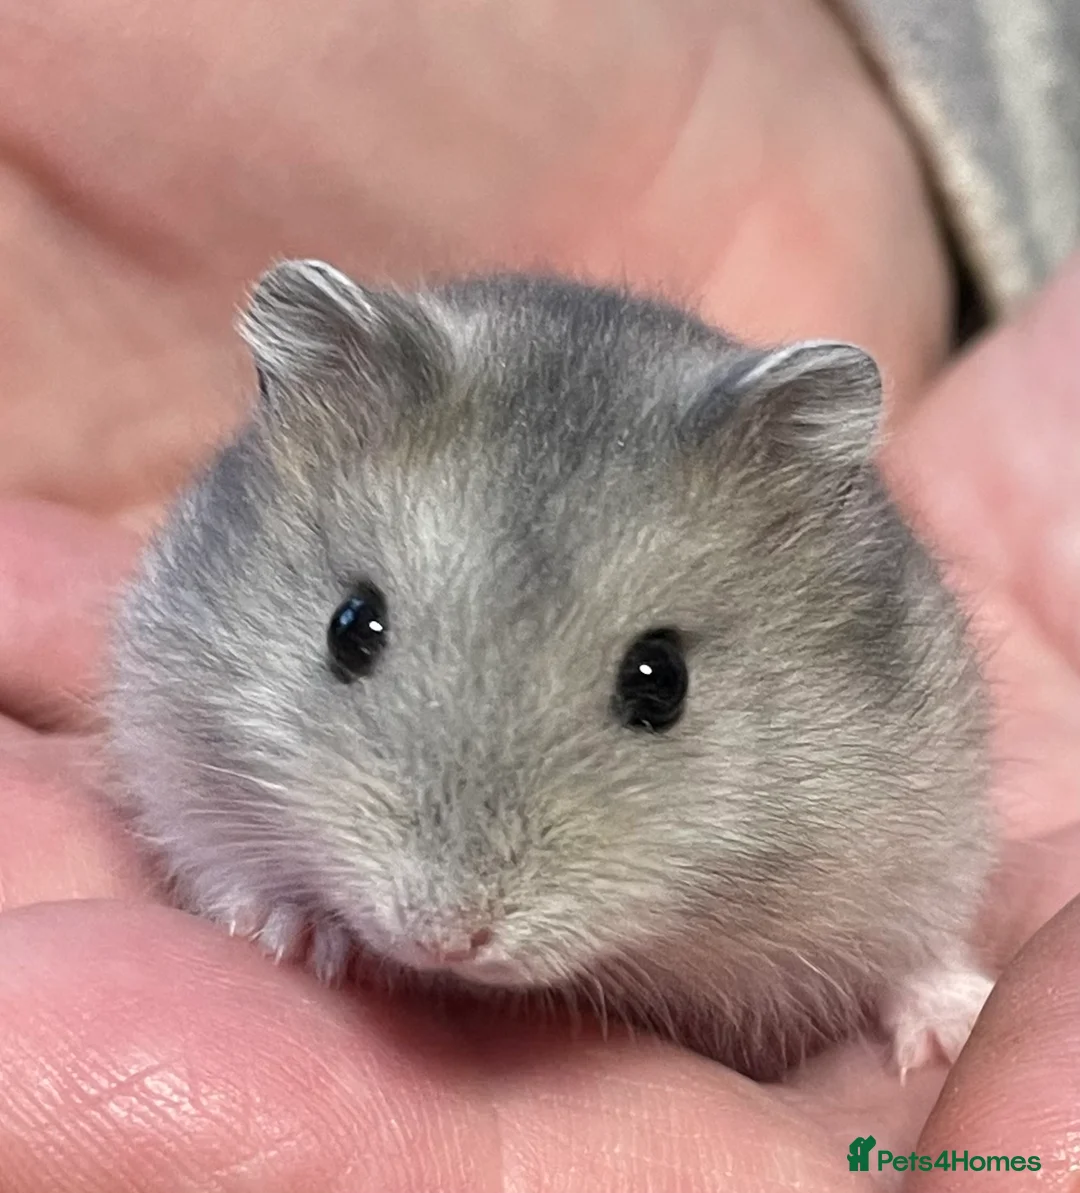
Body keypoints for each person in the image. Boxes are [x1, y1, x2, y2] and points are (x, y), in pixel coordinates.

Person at [0, 1, 1077, 1188]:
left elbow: (913, 759)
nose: (447, 911)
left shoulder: (847, 658)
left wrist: (910, 953)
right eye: (361, 635)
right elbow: (169, 680)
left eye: (651, 687)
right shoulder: (243, 560)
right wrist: (254, 877)